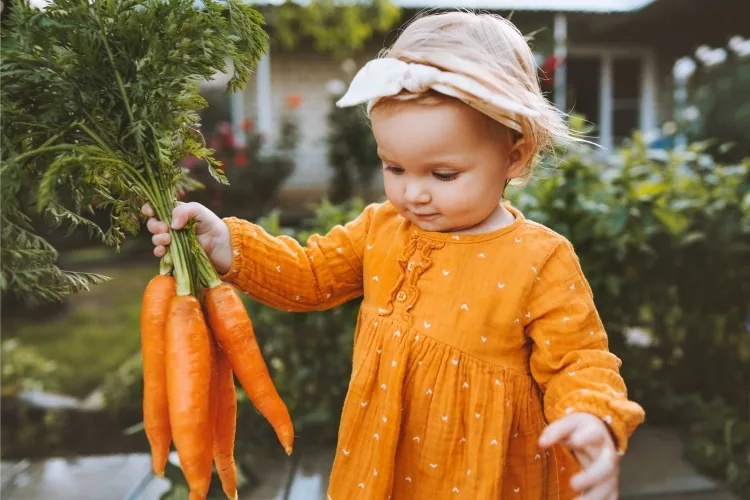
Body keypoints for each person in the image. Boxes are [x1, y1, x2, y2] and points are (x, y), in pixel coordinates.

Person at [144, 11, 644, 499]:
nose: (414, 193)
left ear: (514, 154)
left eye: (442, 174)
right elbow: (310, 275)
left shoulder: (540, 258)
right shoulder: (382, 227)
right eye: (394, 167)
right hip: (380, 463)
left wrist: (589, 415)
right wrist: (227, 245)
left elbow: (579, 360)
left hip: (485, 476)